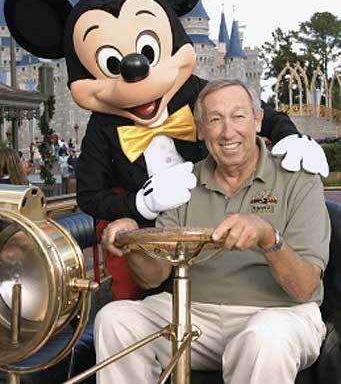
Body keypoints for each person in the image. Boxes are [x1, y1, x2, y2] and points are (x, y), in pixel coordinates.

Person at [96, 78, 330, 384]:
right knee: (115, 319)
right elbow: (154, 276)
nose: (228, 131)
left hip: (281, 313)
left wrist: (267, 237)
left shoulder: (298, 179)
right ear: (201, 130)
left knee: (265, 337)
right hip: (193, 313)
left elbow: (305, 289)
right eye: (215, 120)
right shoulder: (182, 181)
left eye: (238, 117)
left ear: (258, 121)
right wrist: (133, 244)